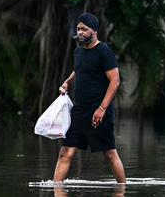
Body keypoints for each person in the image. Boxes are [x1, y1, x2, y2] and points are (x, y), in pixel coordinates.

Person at [53, 13, 126, 183]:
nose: (80, 32)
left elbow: (115, 81)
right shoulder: (78, 52)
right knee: (65, 151)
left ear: (94, 31)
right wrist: (68, 82)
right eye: (78, 29)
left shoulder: (104, 52)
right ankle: (56, 190)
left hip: (99, 112)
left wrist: (102, 109)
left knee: (109, 153)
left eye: (84, 29)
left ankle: (122, 189)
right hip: (79, 111)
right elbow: (79, 69)